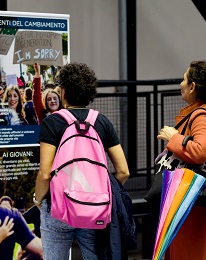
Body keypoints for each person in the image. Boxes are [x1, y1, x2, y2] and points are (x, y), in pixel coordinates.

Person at [34, 62, 130, 260]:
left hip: (57, 206)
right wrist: (99, 193)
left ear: (63, 91)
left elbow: (44, 174)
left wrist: (38, 199)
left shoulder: (52, 122)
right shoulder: (102, 122)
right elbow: (123, 171)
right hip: (94, 207)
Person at [156, 59, 206, 260]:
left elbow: (200, 151)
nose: (180, 84)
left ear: (193, 86)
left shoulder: (201, 116)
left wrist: (174, 138)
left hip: (194, 202)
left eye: (183, 79)